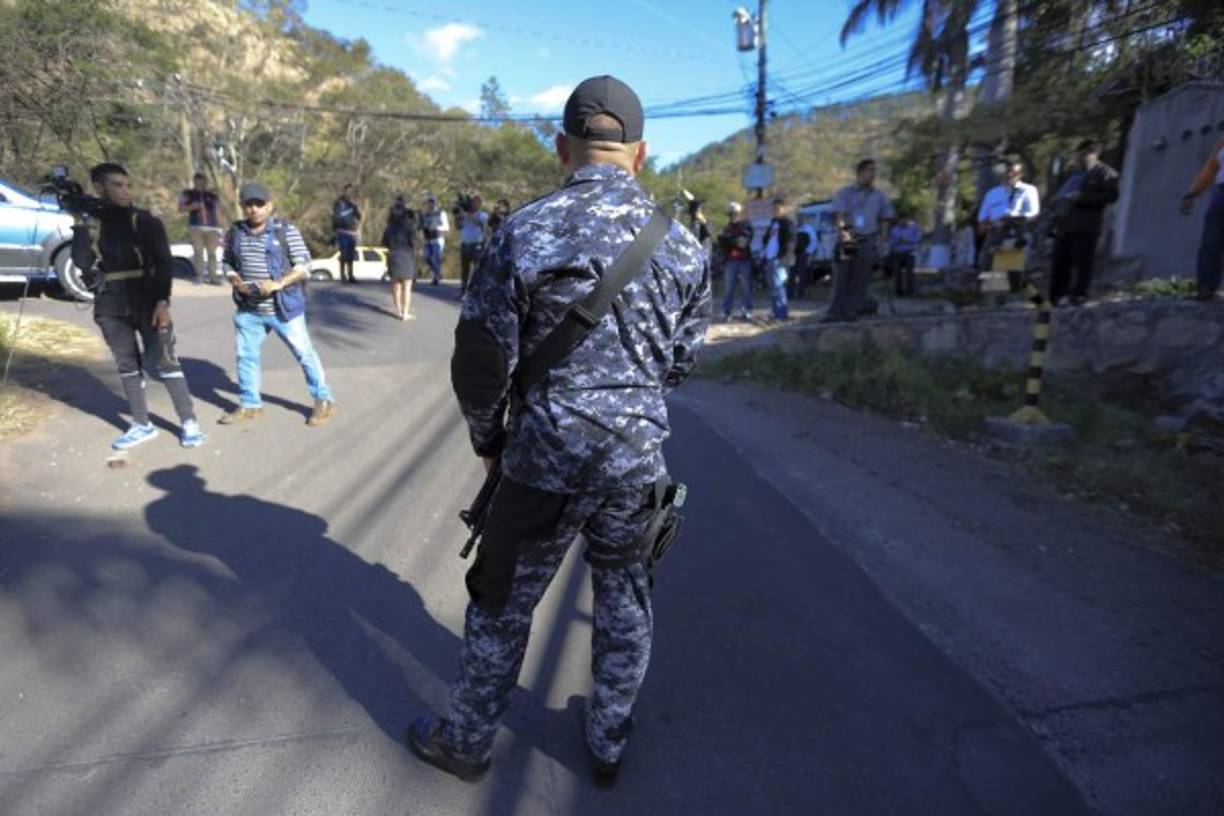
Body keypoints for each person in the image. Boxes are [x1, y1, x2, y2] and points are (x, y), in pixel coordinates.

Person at [408, 75, 710, 787]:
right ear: (640, 155)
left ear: (562, 148)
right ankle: (607, 739)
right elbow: (683, 361)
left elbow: (482, 358)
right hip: (635, 465)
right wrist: (628, 404)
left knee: (501, 604)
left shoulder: (526, 230)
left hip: (541, 460)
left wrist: (489, 442)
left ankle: (467, 743)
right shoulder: (685, 247)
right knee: (625, 601)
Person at [71, 163, 205, 450]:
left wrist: (162, 302)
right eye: (117, 185)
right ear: (99, 188)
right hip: (109, 304)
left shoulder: (145, 221)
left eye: (128, 185)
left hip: (146, 297)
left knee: (166, 360)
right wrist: (79, 224)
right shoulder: (94, 222)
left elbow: (164, 264)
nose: (126, 191)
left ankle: (189, 422)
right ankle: (142, 424)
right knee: (127, 365)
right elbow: (82, 262)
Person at [220, 181, 335, 427]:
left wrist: (278, 283)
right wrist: (233, 278)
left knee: (304, 354)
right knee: (246, 357)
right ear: (242, 206)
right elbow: (227, 262)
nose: (254, 210)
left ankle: (323, 400)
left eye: (259, 204)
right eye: (248, 204)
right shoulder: (234, 233)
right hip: (249, 310)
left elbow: (305, 266)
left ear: (269, 206)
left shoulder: (285, 231)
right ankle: (251, 405)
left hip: (284, 308)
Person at [1048, 140, 1118, 305]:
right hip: (1065, 224)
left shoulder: (1105, 173)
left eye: (1083, 154)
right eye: (1078, 154)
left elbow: (1111, 196)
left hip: (1085, 225)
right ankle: (1056, 296)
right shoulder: (1074, 174)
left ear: (1093, 154)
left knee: (1082, 262)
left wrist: (1082, 197)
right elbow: (1061, 193)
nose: (1080, 158)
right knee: (1060, 262)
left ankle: (1079, 295)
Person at [827, 158, 894, 322]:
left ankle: (853, 309)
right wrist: (843, 232)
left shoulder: (879, 196)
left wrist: (884, 240)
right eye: (870, 170)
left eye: (874, 171)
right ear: (860, 172)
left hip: (868, 238)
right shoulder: (846, 193)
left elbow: (885, 218)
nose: (873, 174)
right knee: (843, 275)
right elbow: (840, 215)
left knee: (861, 276)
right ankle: (835, 311)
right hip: (850, 236)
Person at [976, 158, 1040, 274]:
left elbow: (1033, 212)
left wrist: (1014, 218)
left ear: (1020, 174)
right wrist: (986, 223)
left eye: (1014, 172)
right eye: (1008, 172)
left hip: (1017, 230)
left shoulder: (1028, 190)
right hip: (995, 231)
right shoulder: (993, 193)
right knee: (987, 265)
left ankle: (1012, 288)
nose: (1010, 175)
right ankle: (988, 288)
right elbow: (983, 215)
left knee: (1012, 268)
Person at [1181, 134, 1224, 302]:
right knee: (1210, 243)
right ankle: (1206, 287)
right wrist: (1192, 193)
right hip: (1221, 195)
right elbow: (1210, 169)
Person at [178, 171, 224, 284]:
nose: (200, 184)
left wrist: (221, 227)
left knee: (212, 253)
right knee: (198, 252)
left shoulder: (212, 196)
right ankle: (199, 276)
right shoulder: (187, 194)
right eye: (198, 181)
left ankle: (213, 277)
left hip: (212, 228)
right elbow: (180, 208)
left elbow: (218, 211)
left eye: (203, 181)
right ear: (194, 182)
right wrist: (191, 207)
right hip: (196, 227)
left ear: (206, 182)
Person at [382, 196, 418, 321]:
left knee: (396, 285)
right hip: (406, 255)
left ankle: (398, 311)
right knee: (407, 286)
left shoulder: (388, 228)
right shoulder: (409, 226)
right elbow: (413, 242)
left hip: (393, 255)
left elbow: (384, 243)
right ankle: (405, 313)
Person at [759, 196, 795, 320]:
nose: (774, 211)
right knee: (773, 288)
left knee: (779, 287)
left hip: (779, 259)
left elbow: (790, 242)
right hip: (769, 258)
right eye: (773, 209)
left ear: (784, 209)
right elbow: (766, 240)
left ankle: (782, 314)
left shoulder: (788, 224)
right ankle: (775, 313)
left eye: (777, 208)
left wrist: (782, 256)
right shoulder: (773, 223)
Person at [717, 201, 754, 320]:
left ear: (740, 213)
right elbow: (721, 243)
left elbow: (743, 243)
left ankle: (746, 310)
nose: (733, 216)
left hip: (744, 260)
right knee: (728, 288)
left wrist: (729, 240)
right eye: (731, 213)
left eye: (735, 213)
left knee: (746, 287)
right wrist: (731, 241)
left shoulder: (746, 226)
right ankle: (727, 312)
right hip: (730, 261)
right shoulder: (726, 227)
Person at [458, 194, 489, 298]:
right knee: (464, 269)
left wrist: (470, 216)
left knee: (477, 269)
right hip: (465, 244)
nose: (473, 204)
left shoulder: (483, 215)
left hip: (476, 245)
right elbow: (459, 226)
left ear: (479, 204)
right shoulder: (465, 215)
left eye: (475, 202)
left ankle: (477, 291)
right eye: (472, 202)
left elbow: (481, 225)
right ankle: (463, 290)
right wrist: (457, 217)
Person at [332, 183, 362, 283]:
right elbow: (336, 217)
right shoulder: (339, 203)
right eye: (348, 191)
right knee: (343, 254)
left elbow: (359, 217)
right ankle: (342, 275)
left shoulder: (352, 205)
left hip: (351, 233)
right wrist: (335, 230)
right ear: (344, 191)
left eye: (351, 192)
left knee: (351, 255)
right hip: (342, 232)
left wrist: (355, 208)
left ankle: (351, 275)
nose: (349, 193)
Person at [888, 212, 923, 297]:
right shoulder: (894, 229)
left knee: (909, 273)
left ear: (907, 219)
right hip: (897, 253)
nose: (903, 221)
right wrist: (897, 241)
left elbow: (918, 239)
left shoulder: (914, 228)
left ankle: (910, 291)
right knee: (897, 273)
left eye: (905, 219)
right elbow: (890, 242)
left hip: (909, 253)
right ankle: (898, 292)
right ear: (898, 220)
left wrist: (907, 241)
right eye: (901, 220)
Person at [420, 194, 450, 285]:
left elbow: (446, 227)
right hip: (427, 238)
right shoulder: (425, 214)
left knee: (435, 258)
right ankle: (438, 273)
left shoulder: (441, 213)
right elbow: (422, 225)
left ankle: (435, 277)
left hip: (437, 238)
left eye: (432, 202)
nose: (431, 204)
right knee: (426, 257)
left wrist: (436, 227)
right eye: (429, 202)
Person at [791, 217, 818, 300]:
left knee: (802, 274)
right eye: (797, 219)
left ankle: (800, 294)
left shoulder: (808, 229)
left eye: (800, 219)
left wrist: (807, 252)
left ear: (803, 220)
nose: (798, 221)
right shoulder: (793, 229)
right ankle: (790, 293)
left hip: (803, 254)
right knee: (791, 274)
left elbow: (813, 241)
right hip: (793, 255)